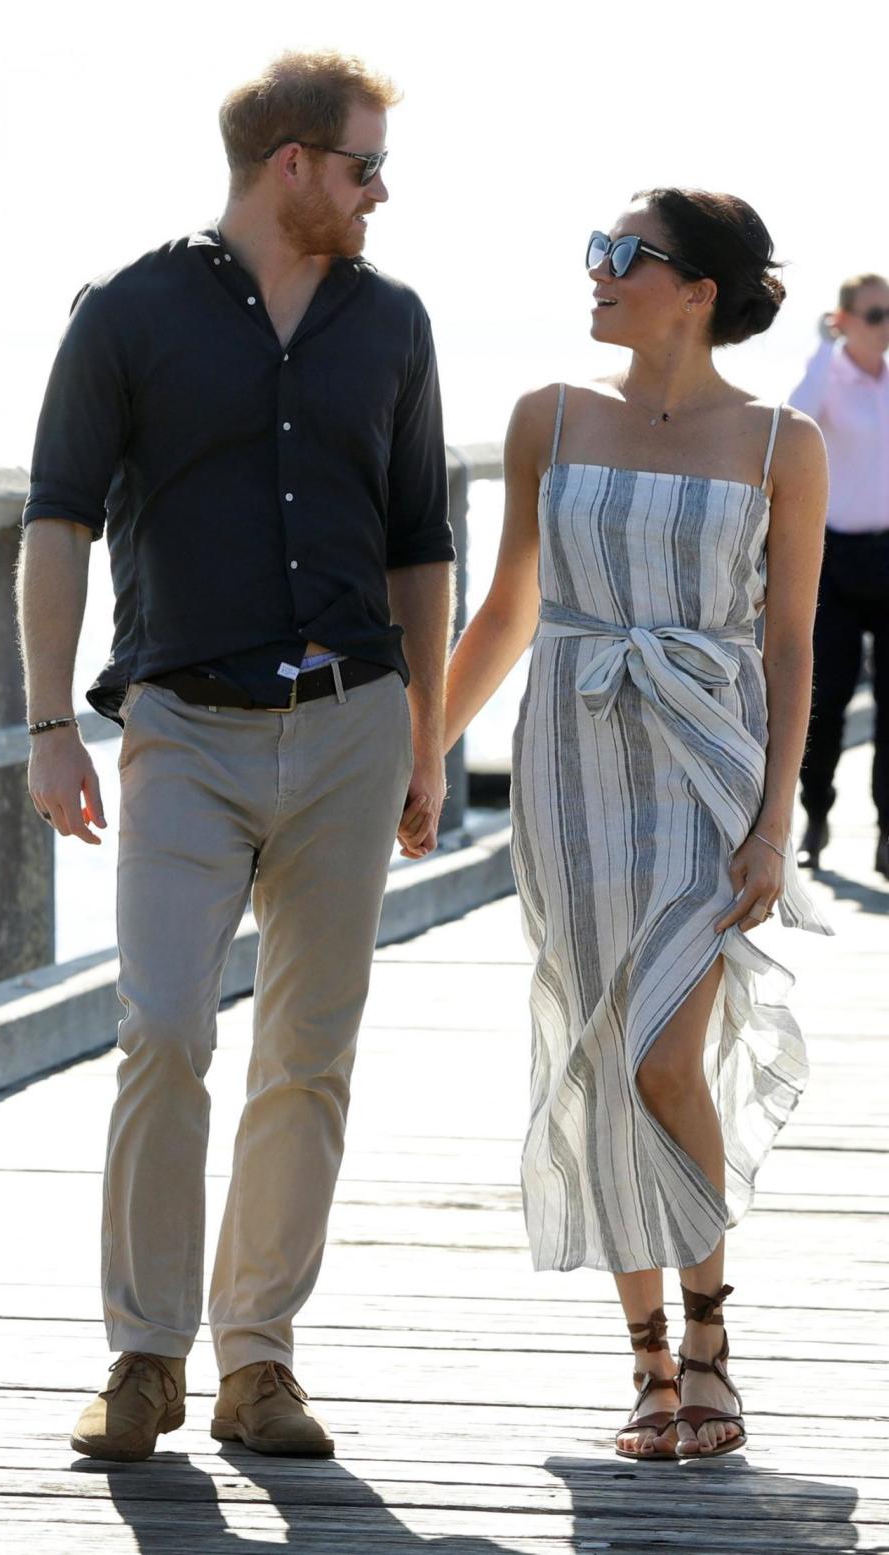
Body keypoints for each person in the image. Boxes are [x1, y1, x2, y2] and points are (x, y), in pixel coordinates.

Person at [17, 49, 454, 1463]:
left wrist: (428, 738)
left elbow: (418, 544)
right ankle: (143, 1353)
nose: (381, 189)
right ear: (291, 165)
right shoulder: (130, 313)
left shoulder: (392, 322)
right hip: (183, 730)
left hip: (351, 722)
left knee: (309, 1049)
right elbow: (57, 523)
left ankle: (258, 1361)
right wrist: (44, 728)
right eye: (364, 164)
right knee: (164, 1027)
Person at [443, 189, 831, 1462]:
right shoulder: (549, 416)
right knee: (608, 1053)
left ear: (698, 288)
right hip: (568, 761)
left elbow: (788, 643)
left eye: (625, 256)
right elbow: (507, 605)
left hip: (705, 762)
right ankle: (649, 1367)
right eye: (597, 254)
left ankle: (712, 1338)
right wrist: (422, 749)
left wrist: (776, 820)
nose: (599, 273)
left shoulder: (785, 442)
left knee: (668, 1052)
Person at [789, 275, 889, 877]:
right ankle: (816, 813)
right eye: (875, 314)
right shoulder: (828, 378)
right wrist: (824, 349)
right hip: (831, 558)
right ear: (843, 319)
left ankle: (887, 833)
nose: (885, 326)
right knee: (824, 698)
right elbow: (795, 418)